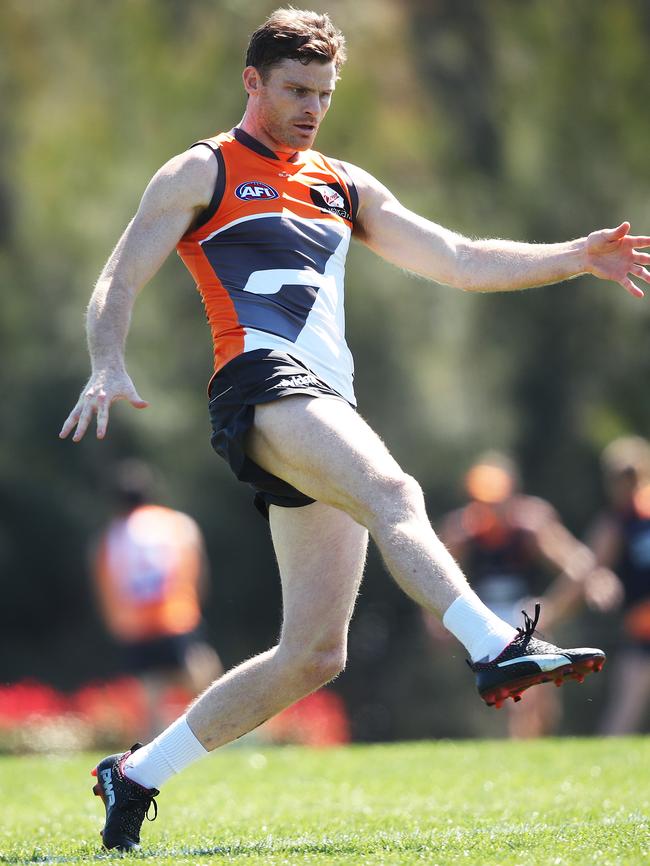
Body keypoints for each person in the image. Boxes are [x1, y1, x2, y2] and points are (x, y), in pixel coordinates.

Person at [58, 8, 647, 850]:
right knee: (394, 489)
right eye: (295, 90)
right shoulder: (203, 170)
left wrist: (574, 256)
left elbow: (460, 256)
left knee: (313, 655)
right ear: (252, 80)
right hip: (262, 384)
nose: (310, 107)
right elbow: (120, 273)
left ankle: (136, 773)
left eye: (324, 94)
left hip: (325, 403)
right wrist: (106, 359)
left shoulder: (343, 183)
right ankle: (494, 646)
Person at [428, 451, 604, 738]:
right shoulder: (462, 530)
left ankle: (528, 747)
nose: (488, 508)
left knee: (545, 706)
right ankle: (517, 747)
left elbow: (576, 567)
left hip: (523, 613)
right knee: (520, 695)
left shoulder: (529, 527)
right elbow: (433, 576)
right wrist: (436, 621)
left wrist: (551, 608)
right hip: (485, 618)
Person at [91, 459, 223, 740]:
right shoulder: (178, 523)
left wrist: (116, 624)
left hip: (134, 625)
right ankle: (228, 732)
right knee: (202, 676)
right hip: (176, 617)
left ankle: (151, 753)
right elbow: (199, 571)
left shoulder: (108, 537)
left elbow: (105, 584)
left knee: (151, 694)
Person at [586, 436, 650, 734]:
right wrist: (600, 583)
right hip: (641, 629)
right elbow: (594, 569)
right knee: (624, 709)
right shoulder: (615, 523)